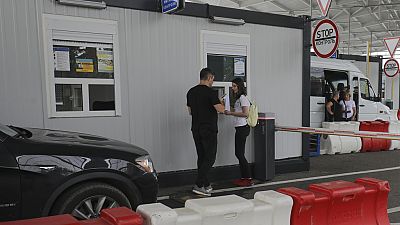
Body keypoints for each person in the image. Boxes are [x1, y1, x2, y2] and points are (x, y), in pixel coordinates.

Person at [186, 68, 225, 196]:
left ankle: (206, 184)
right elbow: (220, 109)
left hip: (195, 128)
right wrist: (221, 102)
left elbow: (190, 111)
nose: (213, 81)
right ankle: (198, 185)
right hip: (208, 129)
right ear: (209, 78)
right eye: (212, 79)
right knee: (210, 157)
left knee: (202, 157)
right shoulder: (211, 93)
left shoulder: (190, 92)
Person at [224, 78, 254, 187]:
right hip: (239, 128)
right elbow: (237, 110)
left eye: (234, 86)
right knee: (239, 153)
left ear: (240, 87)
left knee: (239, 153)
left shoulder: (243, 98)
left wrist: (231, 113)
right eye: (232, 86)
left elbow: (245, 114)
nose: (233, 88)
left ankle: (248, 179)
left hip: (243, 128)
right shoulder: (238, 99)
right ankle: (244, 177)